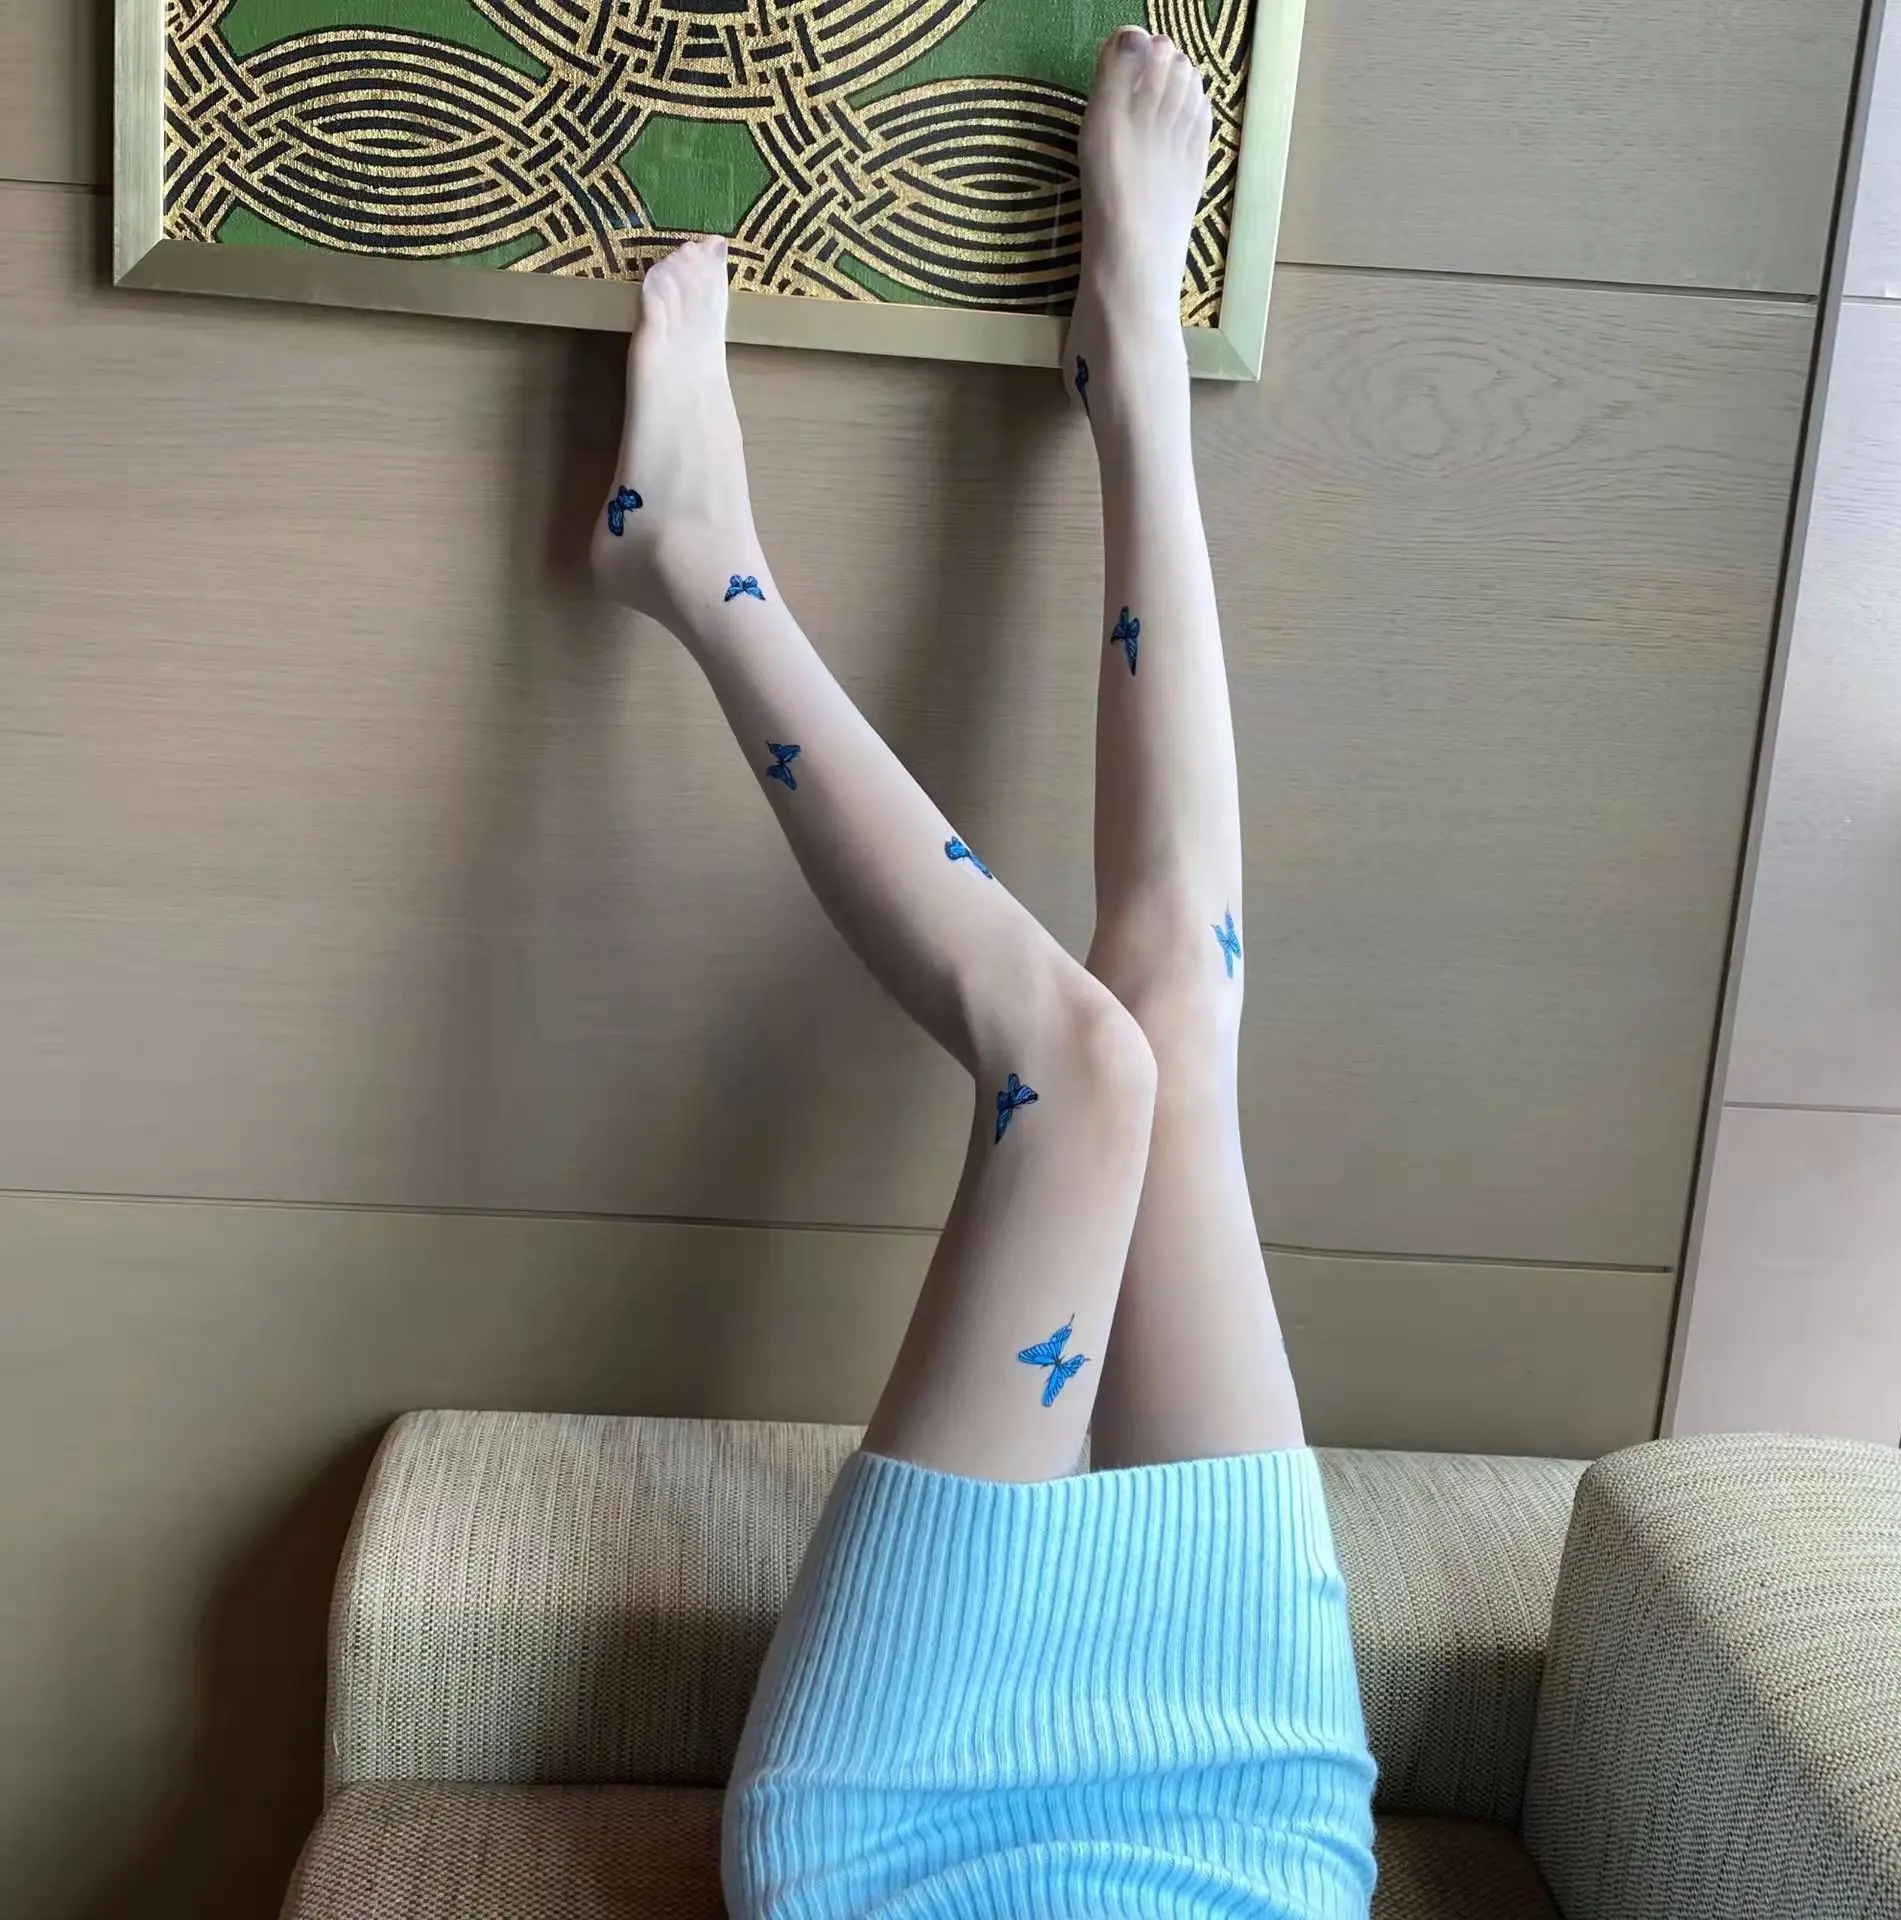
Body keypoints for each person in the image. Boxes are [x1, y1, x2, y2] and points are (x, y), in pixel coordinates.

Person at [592, 26, 1378, 1920]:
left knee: (1078, 1072)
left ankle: (699, 565)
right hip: (1254, 1830)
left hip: (899, 1850)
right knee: (1172, 1007)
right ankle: (1137, 373)